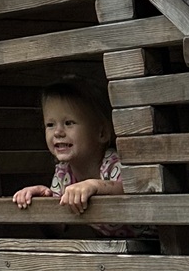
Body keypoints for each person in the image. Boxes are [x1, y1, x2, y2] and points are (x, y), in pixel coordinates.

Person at [11, 77, 121, 214]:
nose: (57, 132)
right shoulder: (63, 172)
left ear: (102, 133)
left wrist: (95, 185)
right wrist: (41, 199)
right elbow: (60, 226)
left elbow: (130, 189)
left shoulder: (112, 163)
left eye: (69, 123)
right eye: (50, 125)